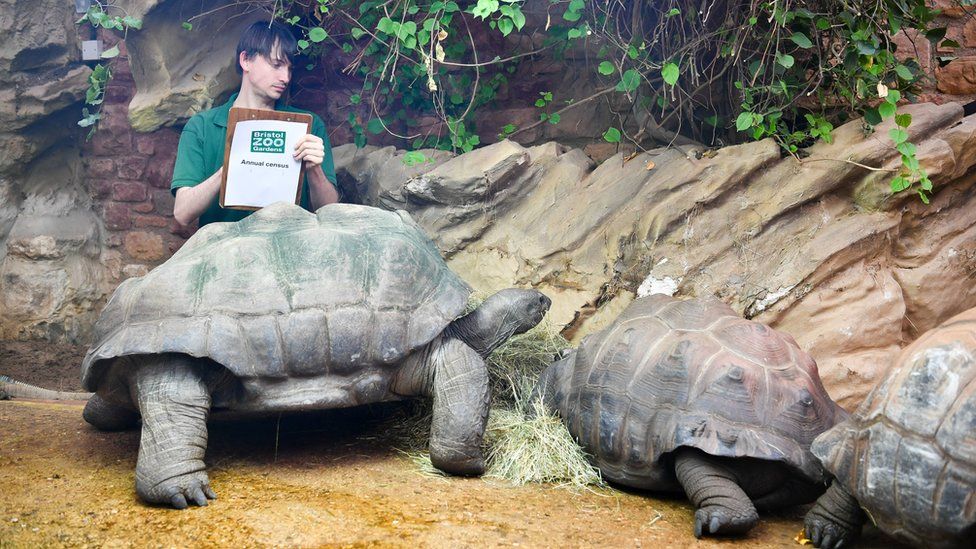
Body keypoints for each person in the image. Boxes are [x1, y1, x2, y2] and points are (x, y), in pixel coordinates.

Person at [170, 20, 340, 227]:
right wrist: (231, 168)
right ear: (246, 60)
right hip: (224, 251)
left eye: (289, 69)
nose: (285, 77)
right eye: (276, 65)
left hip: (291, 249)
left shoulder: (310, 127)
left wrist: (314, 170)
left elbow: (330, 212)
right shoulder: (202, 126)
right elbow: (182, 213)